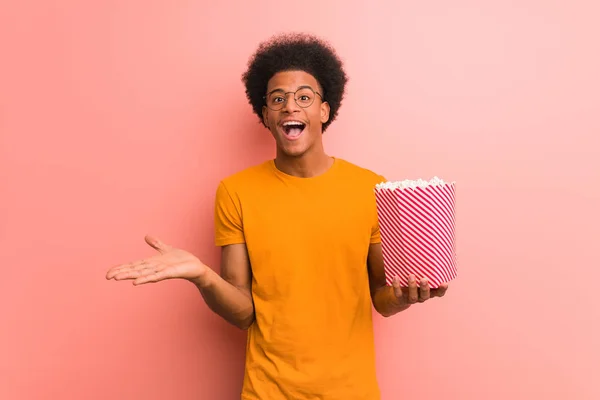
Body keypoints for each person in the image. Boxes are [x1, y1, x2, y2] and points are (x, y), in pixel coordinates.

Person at [106, 32, 449, 400]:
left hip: (352, 391)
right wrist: (203, 276)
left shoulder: (371, 187)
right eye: (278, 99)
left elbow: (381, 297)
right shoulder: (236, 192)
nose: (290, 106)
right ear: (266, 115)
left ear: (324, 111)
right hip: (268, 391)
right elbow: (242, 313)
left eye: (304, 97)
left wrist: (405, 296)